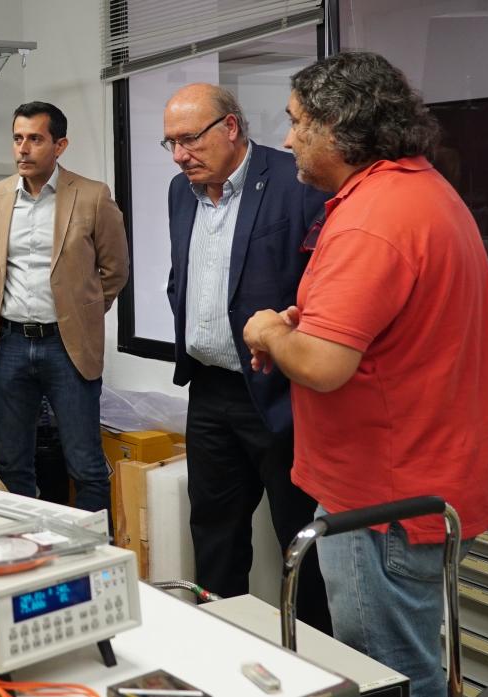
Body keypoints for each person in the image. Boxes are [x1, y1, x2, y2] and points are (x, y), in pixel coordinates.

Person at [241, 52, 488, 697]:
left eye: (296, 122)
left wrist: (272, 333)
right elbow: (386, 327)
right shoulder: (418, 190)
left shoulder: (370, 219)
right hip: (434, 475)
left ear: (337, 125)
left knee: (390, 673)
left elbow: (324, 366)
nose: (286, 140)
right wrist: (306, 322)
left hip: (384, 496)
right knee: (421, 654)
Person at [163, 84, 331, 632]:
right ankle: (220, 645)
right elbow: (181, 277)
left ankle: (312, 659)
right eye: (170, 143)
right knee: (214, 533)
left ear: (230, 127)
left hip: (279, 395)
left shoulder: (294, 183)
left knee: (299, 540)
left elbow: (319, 292)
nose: (179, 155)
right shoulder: (178, 191)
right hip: (208, 392)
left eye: (189, 140)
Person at [0, 101, 129, 512]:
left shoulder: (92, 196)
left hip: (67, 346)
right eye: (17, 138)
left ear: (60, 145)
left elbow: (115, 269)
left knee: (84, 463)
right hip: (8, 343)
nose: (23, 149)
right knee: (12, 462)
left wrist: (83, 313)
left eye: (35, 139)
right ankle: (29, 556)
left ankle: (94, 560)